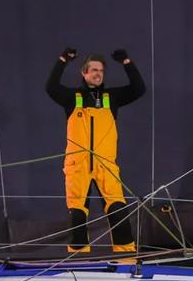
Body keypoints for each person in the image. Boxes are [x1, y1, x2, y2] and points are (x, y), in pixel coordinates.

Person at [46, 47, 145, 253]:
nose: (98, 73)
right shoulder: (73, 97)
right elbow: (51, 87)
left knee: (118, 207)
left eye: (100, 70)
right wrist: (62, 60)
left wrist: (126, 62)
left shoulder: (112, 97)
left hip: (105, 164)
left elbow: (138, 88)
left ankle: (126, 257)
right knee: (78, 213)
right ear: (84, 73)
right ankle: (79, 259)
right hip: (77, 164)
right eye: (93, 70)